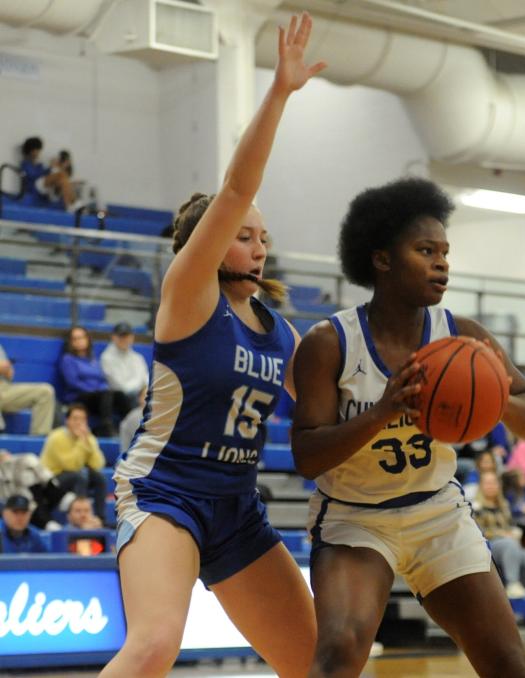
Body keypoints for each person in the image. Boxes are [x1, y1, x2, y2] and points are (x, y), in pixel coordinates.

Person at [100, 14, 323, 677]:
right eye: (245, 234)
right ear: (209, 242)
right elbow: (237, 188)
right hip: (165, 492)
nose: (260, 244)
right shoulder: (189, 292)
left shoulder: (278, 330)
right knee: (153, 646)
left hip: (235, 505)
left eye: (263, 237)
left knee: (322, 663)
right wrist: (279, 93)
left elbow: (329, 407)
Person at [291, 176, 525, 677]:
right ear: (382, 259)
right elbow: (306, 456)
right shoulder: (329, 343)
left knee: (511, 665)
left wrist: (492, 396)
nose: (442, 263)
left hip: (437, 513)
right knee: (339, 651)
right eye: (425, 250)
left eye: (445, 252)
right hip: (355, 518)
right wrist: (382, 412)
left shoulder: (462, 337)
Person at [473, 470, 525, 598]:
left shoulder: (504, 505)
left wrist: (514, 532)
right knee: (509, 544)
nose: (491, 486)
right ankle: (512, 584)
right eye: (487, 483)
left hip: (508, 542)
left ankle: (524, 591)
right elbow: (478, 532)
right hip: (487, 546)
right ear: (481, 486)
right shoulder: (476, 507)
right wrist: (502, 533)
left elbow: (511, 525)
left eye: (494, 483)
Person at [59, 325, 132, 436]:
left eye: (82, 337)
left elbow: (102, 379)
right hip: (79, 397)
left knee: (119, 395)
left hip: (99, 396)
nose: (80, 341)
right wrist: (94, 390)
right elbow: (73, 382)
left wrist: (101, 389)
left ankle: (131, 427)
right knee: (105, 395)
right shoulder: (68, 359)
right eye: (76, 338)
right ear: (70, 342)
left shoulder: (93, 359)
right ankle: (106, 427)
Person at [39, 403, 108, 522]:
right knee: (80, 476)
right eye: (75, 419)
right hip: (52, 480)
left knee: (99, 478)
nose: (79, 422)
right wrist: (82, 442)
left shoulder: (88, 437)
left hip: (75, 475)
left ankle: (100, 518)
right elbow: (69, 465)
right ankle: (80, 519)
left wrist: (88, 442)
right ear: (67, 421)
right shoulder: (56, 437)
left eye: (83, 419)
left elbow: (98, 464)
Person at [0, 340, 56, 435]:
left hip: (4, 388)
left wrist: (7, 369)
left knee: (45, 391)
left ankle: (38, 440)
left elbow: (10, 375)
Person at [18, 136, 80, 210]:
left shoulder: (39, 165)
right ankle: (72, 204)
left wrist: (53, 168)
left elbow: (44, 175)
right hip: (34, 187)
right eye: (36, 150)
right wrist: (50, 168)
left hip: (44, 187)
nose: (38, 152)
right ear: (31, 150)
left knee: (63, 178)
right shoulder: (25, 164)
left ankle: (72, 205)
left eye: (38, 150)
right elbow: (33, 176)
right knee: (61, 175)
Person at [99, 322, 150, 404]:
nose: (124, 339)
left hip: (139, 393)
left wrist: (144, 390)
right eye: (120, 336)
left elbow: (145, 379)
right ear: (113, 337)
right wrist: (140, 391)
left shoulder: (138, 357)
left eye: (126, 336)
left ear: (132, 337)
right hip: (120, 397)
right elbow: (118, 385)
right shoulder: (106, 358)